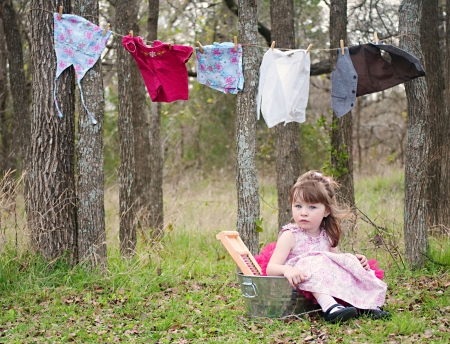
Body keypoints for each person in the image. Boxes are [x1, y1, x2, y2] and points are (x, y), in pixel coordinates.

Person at [266, 171, 391, 323]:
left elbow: (335, 261)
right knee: (313, 260)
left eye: (312, 207)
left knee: (349, 263)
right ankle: (330, 307)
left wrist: (353, 261)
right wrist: (288, 270)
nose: (303, 213)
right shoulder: (290, 235)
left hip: (324, 280)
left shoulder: (327, 234)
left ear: (326, 211)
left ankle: (368, 305)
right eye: (298, 206)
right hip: (300, 279)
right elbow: (271, 267)